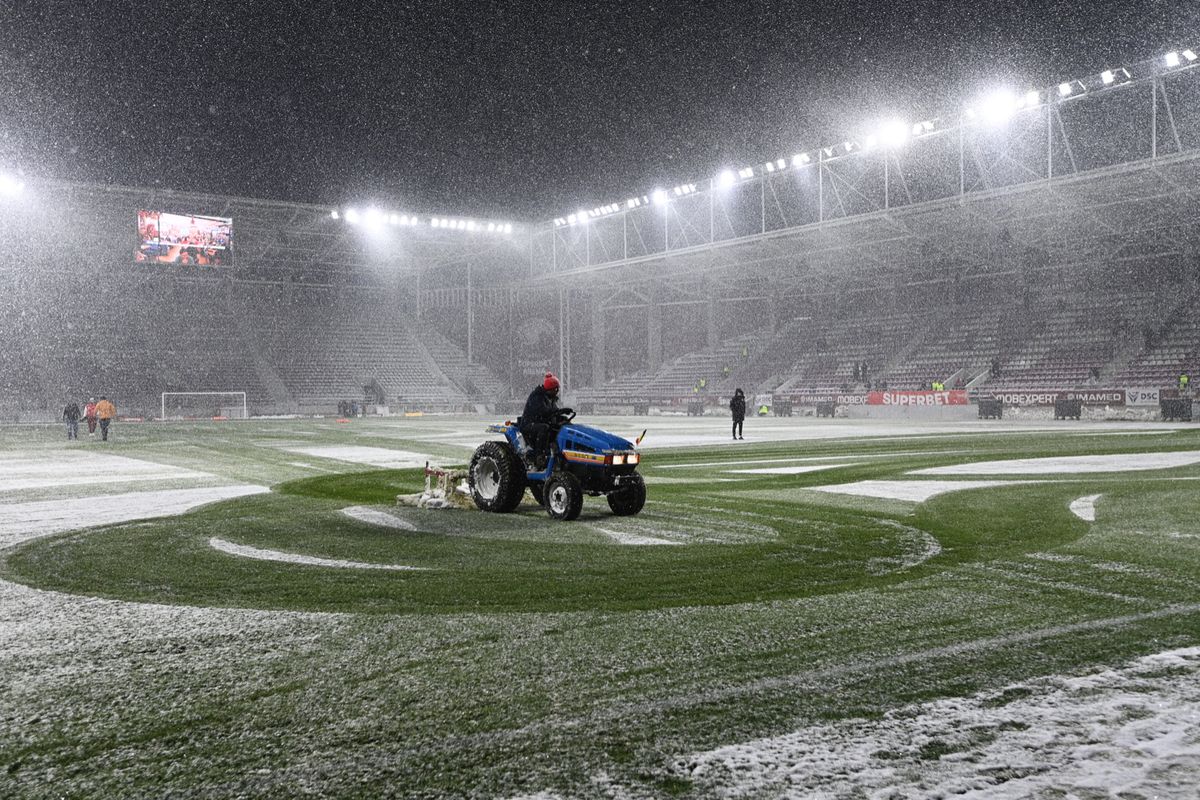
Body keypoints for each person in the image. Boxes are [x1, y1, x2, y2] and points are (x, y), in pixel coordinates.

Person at [520, 373, 561, 468]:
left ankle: (557, 453)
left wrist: (562, 415)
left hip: (540, 422)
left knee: (561, 425)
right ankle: (539, 456)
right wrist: (556, 411)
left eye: (557, 389)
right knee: (544, 428)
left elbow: (553, 413)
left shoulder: (551, 399)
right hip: (528, 423)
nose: (557, 392)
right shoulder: (536, 397)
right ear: (550, 389)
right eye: (555, 389)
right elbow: (543, 412)